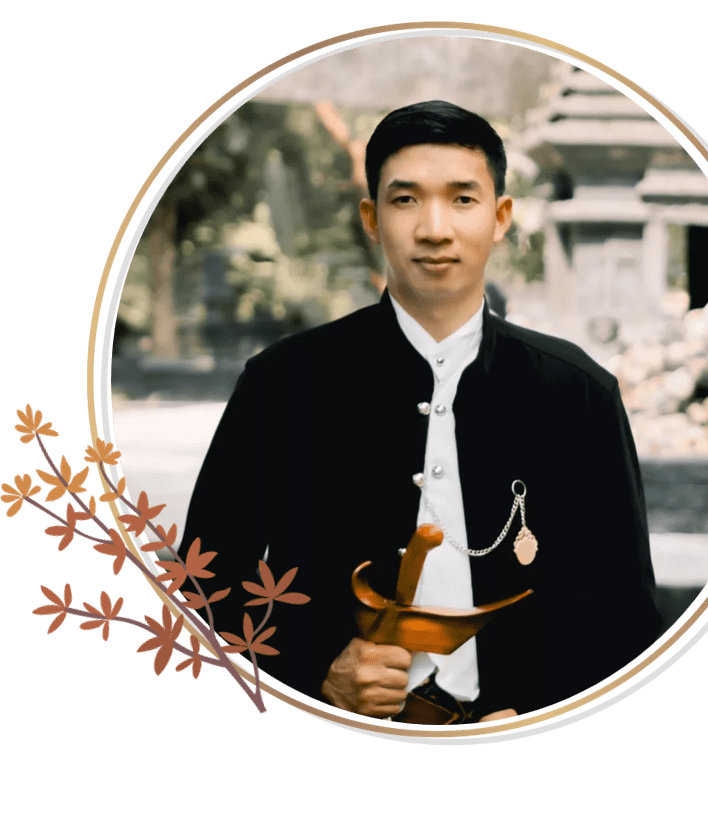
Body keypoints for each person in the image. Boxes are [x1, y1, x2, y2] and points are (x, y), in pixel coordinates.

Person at [178, 100, 661, 724]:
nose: (435, 229)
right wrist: (315, 673)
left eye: (463, 199)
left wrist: (544, 714)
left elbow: (625, 613)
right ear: (372, 219)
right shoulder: (284, 383)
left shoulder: (577, 393)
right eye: (406, 200)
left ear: (500, 217)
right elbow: (203, 588)